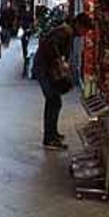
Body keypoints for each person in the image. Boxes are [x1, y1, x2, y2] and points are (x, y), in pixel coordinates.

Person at [33, 13, 94, 150]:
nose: (84, 34)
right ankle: (49, 139)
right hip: (44, 68)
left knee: (54, 101)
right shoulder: (65, 32)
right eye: (85, 30)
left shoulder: (67, 32)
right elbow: (51, 45)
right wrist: (59, 61)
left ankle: (52, 134)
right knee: (53, 101)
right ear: (79, 25)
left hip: (44, 67)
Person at [20, 5, 35, 77]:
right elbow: (32, 24)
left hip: (25, 35)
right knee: (27, 53)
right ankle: (26, 69)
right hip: (28, 34)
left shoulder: (23, 15)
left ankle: (25, 69)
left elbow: (21, 23)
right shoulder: (30, 15)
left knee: (25, 52)